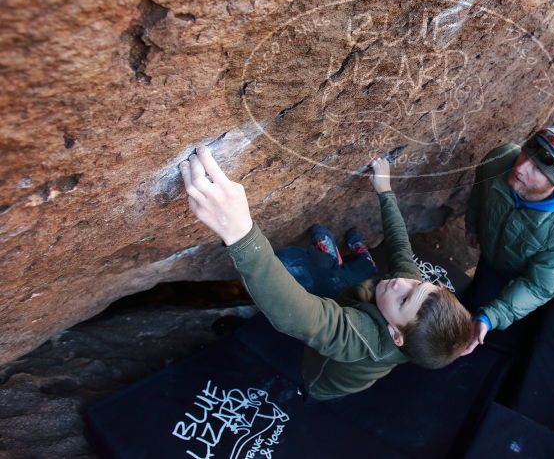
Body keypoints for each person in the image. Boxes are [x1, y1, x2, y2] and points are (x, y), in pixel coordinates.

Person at [179, 148, 473, 401]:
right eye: (420, 283)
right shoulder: (413, 298)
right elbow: (401, 250)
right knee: (363, 284)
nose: (402, 281)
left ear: (396, 334)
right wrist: (385, 192)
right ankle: (345, 268)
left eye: (405, 297)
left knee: (295, 274)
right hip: (364, 305)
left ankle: (339, 269)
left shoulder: (361, 341)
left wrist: (240, 233)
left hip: (317, 377)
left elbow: (295, 315)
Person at [461, 124, 554, 354]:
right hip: (494, 261)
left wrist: (493, 316)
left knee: (551, 319)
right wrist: (473, 225)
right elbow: (479, 193)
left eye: (537, 169)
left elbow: (539, 285)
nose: (521, 167)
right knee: (474, 307)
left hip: (540, 276)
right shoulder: (500, 160)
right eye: (526, 154)